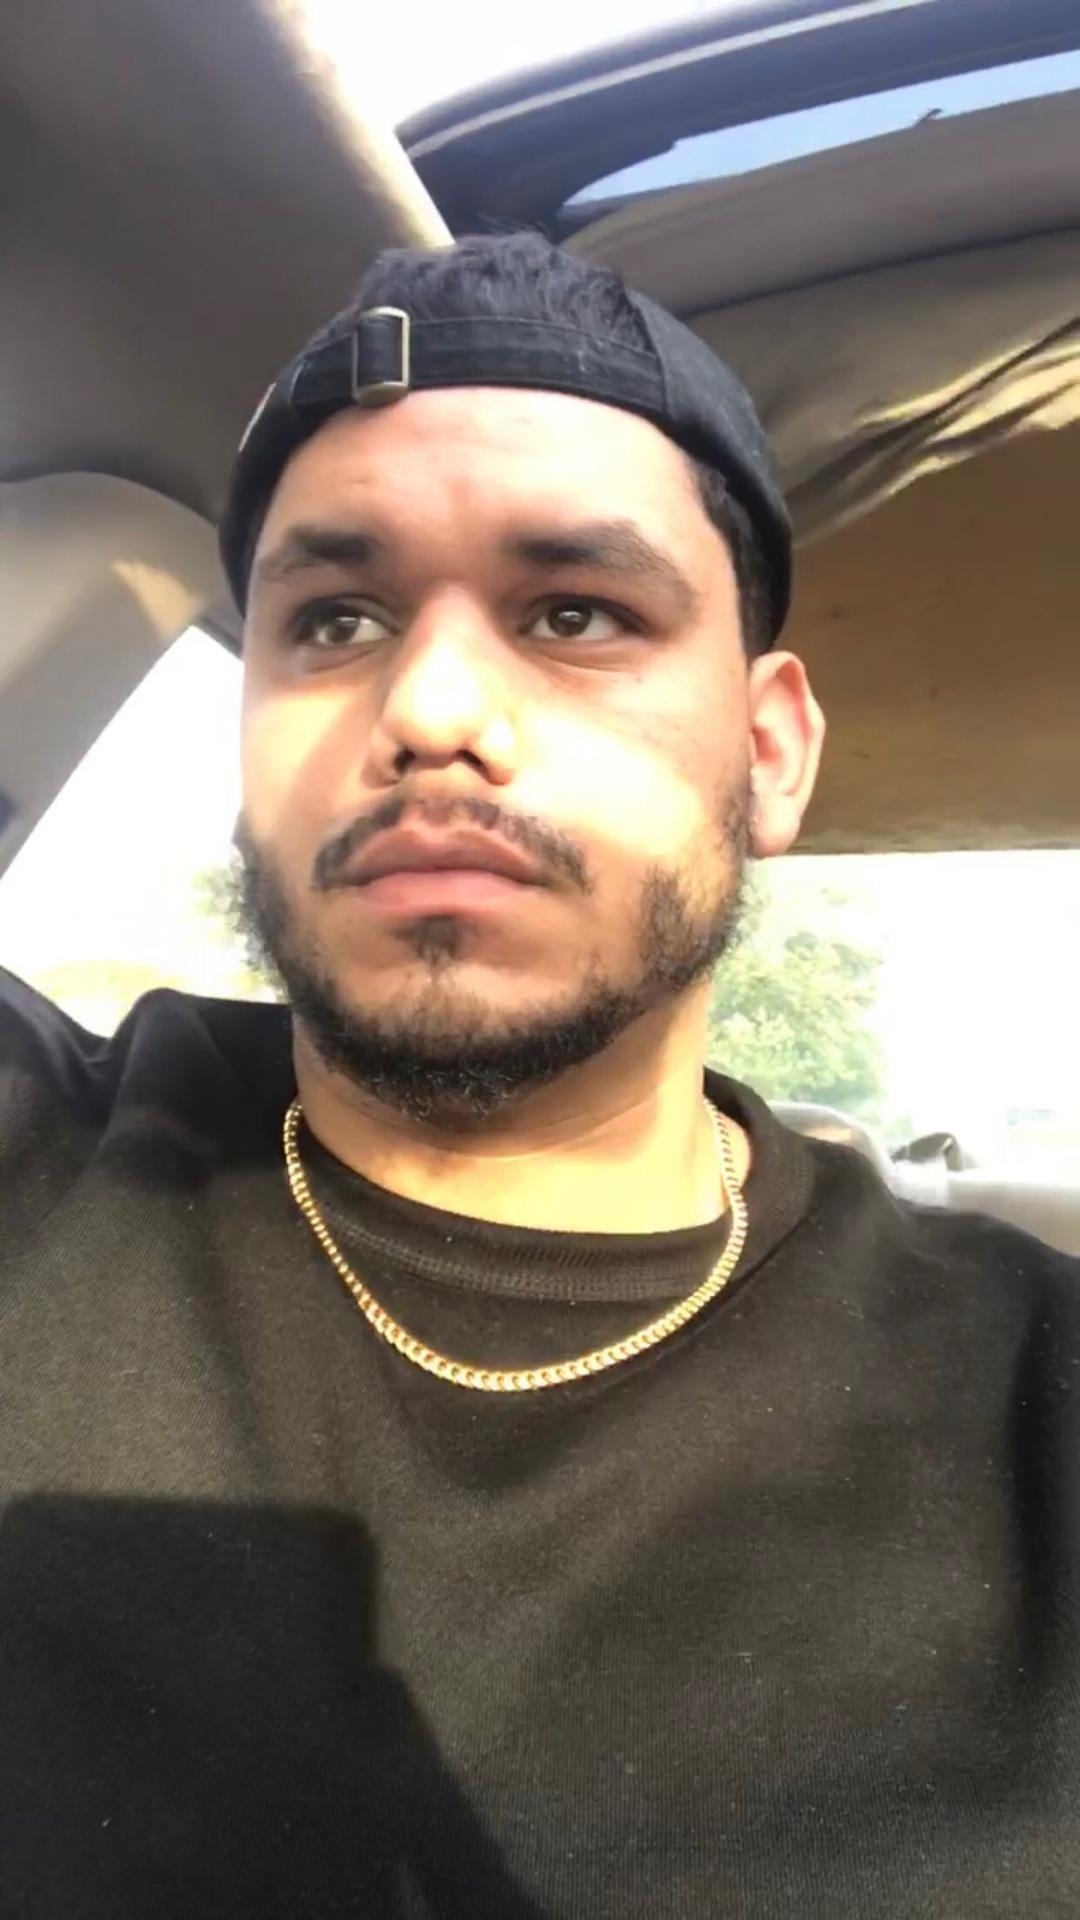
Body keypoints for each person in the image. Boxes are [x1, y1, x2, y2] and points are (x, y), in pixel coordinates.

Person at [1, 232, 1078, 1918]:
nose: (428, 708)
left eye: (577, 613)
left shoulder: (1040, 1412)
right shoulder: (41, 1154)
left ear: (771, 751)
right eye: (332, 619)